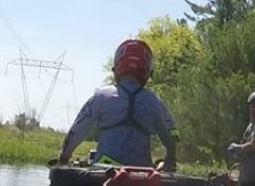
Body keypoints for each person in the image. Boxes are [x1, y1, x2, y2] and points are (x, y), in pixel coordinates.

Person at [58, 39, 178, 170]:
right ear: (148, 72)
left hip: (104, 170)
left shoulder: (102, 96)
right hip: (142, 172)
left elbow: (77, 131)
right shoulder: (155, 101)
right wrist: (169, 159)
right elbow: (172, 135)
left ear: (116, 69)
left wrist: (64, 157)